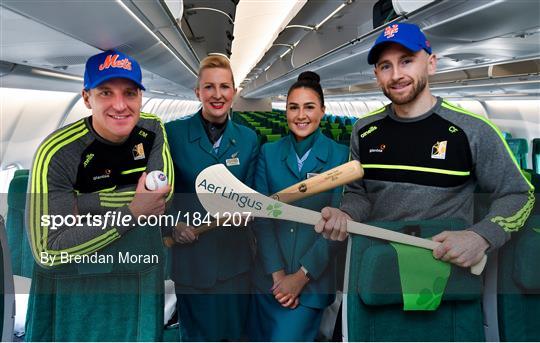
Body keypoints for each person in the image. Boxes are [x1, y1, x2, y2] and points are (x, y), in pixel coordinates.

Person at [315, 22, 535, 268]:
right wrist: (346, 214)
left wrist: (481, 236)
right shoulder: (365, 130)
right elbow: (359, 195)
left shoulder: (473, 129)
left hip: (445, 271)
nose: (396, 74)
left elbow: (519, 194)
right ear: (377, 75)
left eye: (406, 60)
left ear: (431, 63)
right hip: (379, 265)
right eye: (386, 66)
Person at [24, 50, 173, 341]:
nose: (120, 105)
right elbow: (49, 249)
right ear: (86, 97)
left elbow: (159, 198)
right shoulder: (56, 153)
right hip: (78, 289)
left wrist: (87, 201)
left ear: (141, 98)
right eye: (106, 92)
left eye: (130, 93)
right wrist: (134, 210)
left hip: (139, 276)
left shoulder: (152, 128)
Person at [248, 72, 348, 341]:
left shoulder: (340, 155)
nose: (301, 115)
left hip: (311, 285)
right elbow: (262, 215)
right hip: (268, 280)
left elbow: (337, 226)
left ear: (323, 111)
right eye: (293, 107)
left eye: (309, 107)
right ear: (286, 112)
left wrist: (299, 278)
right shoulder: (268, 152)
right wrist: (278, 276)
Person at [165, 55, 259, 341]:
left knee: (235, 334)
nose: (217, 95)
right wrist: (173, 225)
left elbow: (254, 194)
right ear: (197, 92)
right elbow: (160, 199)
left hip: (235, 262)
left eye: (224, 87)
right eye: (209, 87)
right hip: (192, 262)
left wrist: (249, 210)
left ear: (234, 92)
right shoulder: (173, 134)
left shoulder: (248, 138)